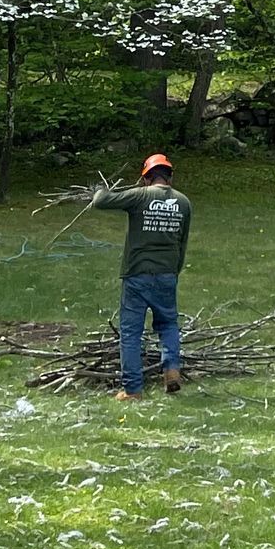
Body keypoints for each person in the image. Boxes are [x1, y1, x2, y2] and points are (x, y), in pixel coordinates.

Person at [94, 152, 191, 402]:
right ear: (170, 176)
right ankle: (171, 371)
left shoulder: (140, 196)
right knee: (168, 324)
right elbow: (183, 242)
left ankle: (132, 390)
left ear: (146, 178)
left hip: (137, 274)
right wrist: (174, 271)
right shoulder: (183, 202)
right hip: (168, 273)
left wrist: (101, 188)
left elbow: (101, 201)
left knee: (131, 333)